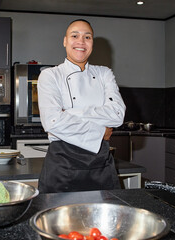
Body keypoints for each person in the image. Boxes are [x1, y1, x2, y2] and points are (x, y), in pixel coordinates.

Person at [37, 19, 126, 193]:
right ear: (65, 41)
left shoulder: (104, 73)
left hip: (101, 164)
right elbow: (53, 122)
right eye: (75, 36)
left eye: (87, 37)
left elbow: (117, 114)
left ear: (92, 43)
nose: (81, 42)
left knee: (105, 218)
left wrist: (69, 113)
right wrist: (100, 132)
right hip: (63, 166)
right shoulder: (50, 75)